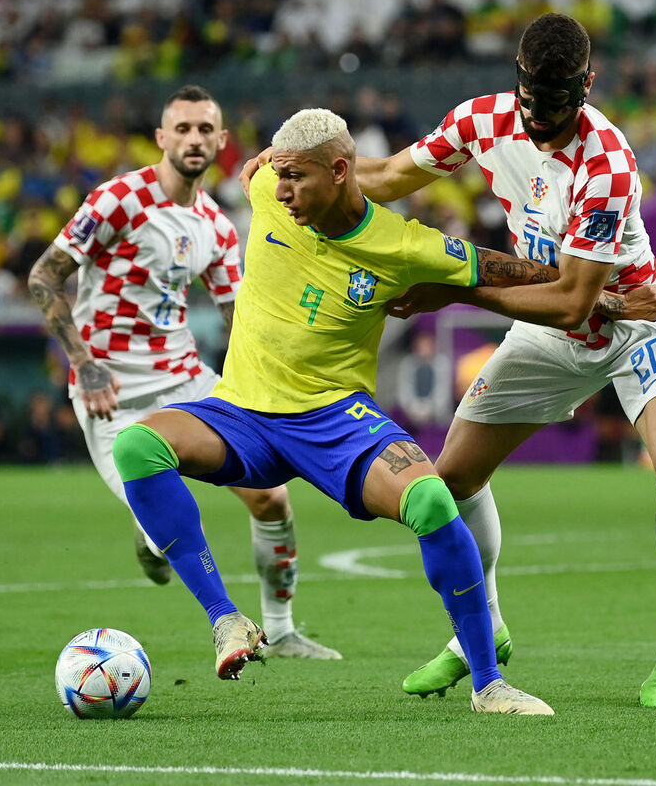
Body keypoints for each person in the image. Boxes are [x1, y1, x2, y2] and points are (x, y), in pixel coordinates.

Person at [246, 13, 656, 708]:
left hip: (631, 320)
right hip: (547, 327)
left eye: (557, 102)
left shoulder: (607, 163)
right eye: (531, 97)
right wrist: (297, 165)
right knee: (452, 481)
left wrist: (451, 289)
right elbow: (388, 175)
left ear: (586, 84)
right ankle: (481, 631)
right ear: (517, 78)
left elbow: (573, 302)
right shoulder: (482, 120)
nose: (540, 116)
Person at [111, 107, 562, 714]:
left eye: (297, 177)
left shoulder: (404, 245)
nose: (282, 189)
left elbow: (508, 271)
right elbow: (255, 169)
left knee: (431, 499)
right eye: (279, 174)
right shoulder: (267, 187)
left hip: (334, 420)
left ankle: (488, 684)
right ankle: (226, 619)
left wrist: (605, 294)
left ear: (340, 171)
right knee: (136, 446)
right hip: (242, 414)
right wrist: (272, 164)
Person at [28, 85, 339, 660]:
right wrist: (84, 365)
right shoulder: (119, 200)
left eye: (205, 130)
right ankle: (186, 577)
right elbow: (44, 276)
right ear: (162, 138)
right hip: (114, 392)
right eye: (183, 129)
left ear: (221, 141)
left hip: (186, 380)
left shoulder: (216, 226)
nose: (194, 139)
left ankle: (281, 630)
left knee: (272, 498)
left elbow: (238, 316)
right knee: (163, 527)